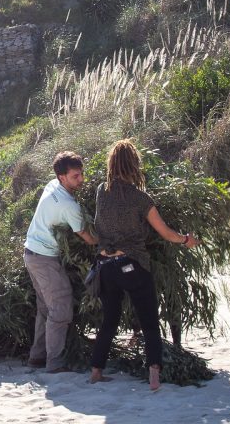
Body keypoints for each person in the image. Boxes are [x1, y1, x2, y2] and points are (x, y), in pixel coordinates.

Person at [88, 140, 201, 391]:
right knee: (149, 320)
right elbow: (165, 232)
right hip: (132, 264)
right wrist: (186, 240)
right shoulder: (140, 198)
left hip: (105, 266)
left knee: (109, 320)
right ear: (134, 165)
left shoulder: (100, 191)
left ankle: (96, 371)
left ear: (111, 164)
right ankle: (154, 376)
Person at [23, 151, 96, 373]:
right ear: (62, 177)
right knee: (61, 307)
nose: (81, 179)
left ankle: (37, 357)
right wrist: (108, 241)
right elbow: (88, 237)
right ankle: (54, 363)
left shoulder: (51, 185)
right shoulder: (68, 206)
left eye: (81, 173)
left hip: (31, 253)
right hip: (44, 258)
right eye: (75, 176)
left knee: (46, 308)